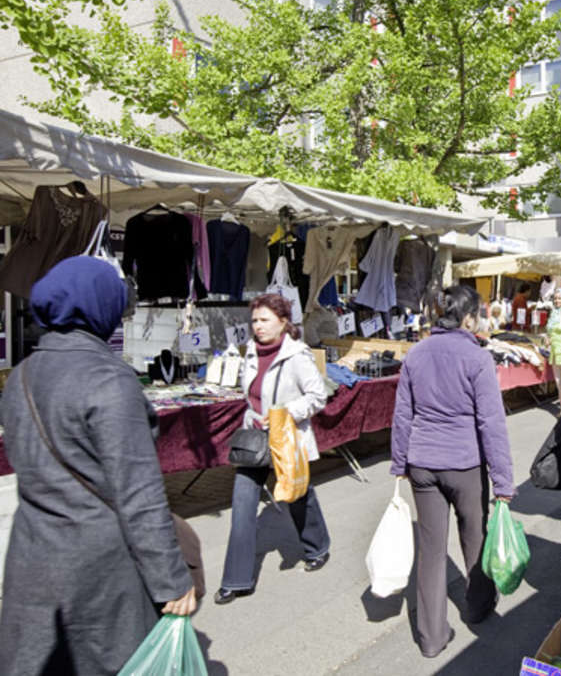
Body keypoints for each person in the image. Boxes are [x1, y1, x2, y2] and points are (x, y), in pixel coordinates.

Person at [0, 257, 196, 675]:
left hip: (32, 560)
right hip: (100, 571)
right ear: (101, 307)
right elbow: (139, 495)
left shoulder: (21, 376)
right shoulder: (110, 380)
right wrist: (171, 580)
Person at [390, 285, 515, 657]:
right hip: (464, 463)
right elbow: (492, 423)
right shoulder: (477, 357)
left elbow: (402, 416)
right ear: (469, 318)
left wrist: (399, 463)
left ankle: (430, 638)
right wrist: (503, 481)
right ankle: (477, 608)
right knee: (474, 538)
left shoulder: (415, 354)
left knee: (430, 552)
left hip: (422, 463)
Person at [216, 292, 330, 604]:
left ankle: (317, 546)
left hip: (287, 438)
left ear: (282, 322)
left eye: (265, 320)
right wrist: (253, 417)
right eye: (254, 320)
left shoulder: (298, 355)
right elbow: (250, 395)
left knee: (297, 495)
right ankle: (236, 579)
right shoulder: (250, 351)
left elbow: (318, 396)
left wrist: (284, 413)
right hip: (254, 440)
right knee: (242, 504)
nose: (258, 326)